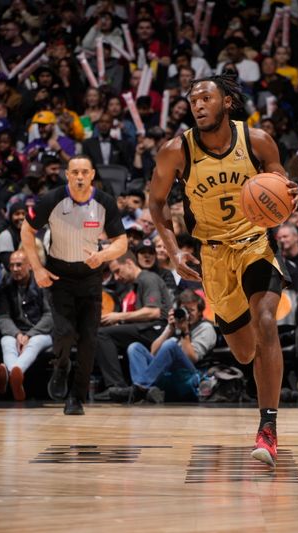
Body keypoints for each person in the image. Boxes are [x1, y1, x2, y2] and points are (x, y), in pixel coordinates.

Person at [149, 73, 298, 467]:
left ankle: (268, 427)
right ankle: (258, 369)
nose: (197, 104)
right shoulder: (176, 151)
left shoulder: (256, 140)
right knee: (245, 351)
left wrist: (287, 190)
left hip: (254, 243)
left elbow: (279, 175)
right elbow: (157, 204)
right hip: (212, 256)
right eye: (192, 100)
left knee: (266, 320)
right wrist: (173, 251)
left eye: (205, 98)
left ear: (226, 102)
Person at [21, 155, 128, 415]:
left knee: (90, 340)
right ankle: (60, 366)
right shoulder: (51, 200)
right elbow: (26, 230)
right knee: (65, 332)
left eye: (84, 172)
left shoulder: (104, 203)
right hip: (59, 276)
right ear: (67, 175)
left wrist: (102, 256)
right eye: (74, 172)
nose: (79, 176)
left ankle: (76, 398)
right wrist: (37, 269)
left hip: (91, 277)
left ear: (92, 175)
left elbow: (121, 242)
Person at [94, 251, 171, 402]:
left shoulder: (148, 278)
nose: (116, 277)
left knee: (102, 334)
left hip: (158, 330)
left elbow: (154, 312)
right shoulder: (134, 285)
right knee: (107, 334)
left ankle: (116, 387)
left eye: (117, 271)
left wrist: (118, 317)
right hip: (147, 329)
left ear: (129, 263)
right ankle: (125, 387)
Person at [127, 290, 216, 404]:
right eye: (184, 310)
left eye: (191, 310)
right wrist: (169, 328)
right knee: (135, 348)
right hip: (168, 372)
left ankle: (139, 389)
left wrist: (185, 332)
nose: (187, 314)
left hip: (190, 374)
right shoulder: (176, 324)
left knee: (170, 345)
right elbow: (153, 352)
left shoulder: (205, 328)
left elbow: (192, 358)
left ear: (200, 312)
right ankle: (144, 389)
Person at [0, 249, 53, 401]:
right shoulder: (5, 286)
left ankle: (11, 373)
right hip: (18, 332)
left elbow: (50, 316)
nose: (14, 269)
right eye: (12, 265)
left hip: (42, 333)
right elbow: (3, 317)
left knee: (34, 342)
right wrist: (18, 334)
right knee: (6, 341)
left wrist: (29, 335)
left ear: (30, 265)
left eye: (19, 265)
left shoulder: (43, 284)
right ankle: (15, 377)